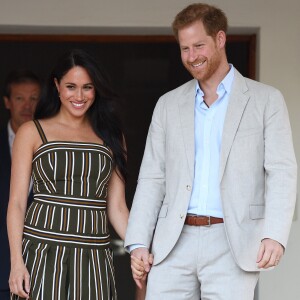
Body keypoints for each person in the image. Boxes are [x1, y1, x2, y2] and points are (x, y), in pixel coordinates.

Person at [125, 3, 297, 300]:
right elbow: (153, 177)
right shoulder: (168, 104)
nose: (192, 57)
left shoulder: (266, 100)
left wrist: (274, 234)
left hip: (233, 242)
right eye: (185, 48)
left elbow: (282, 172)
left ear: (220, 39)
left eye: (199, 45)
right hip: (173, 242)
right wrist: (139, 241)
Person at [7, 49, 131, 300]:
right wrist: (16, 262)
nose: (79, 95)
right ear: (57, 86)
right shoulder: (32, 132)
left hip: (94, 256)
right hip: (42, 253)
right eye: (71, 86)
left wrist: (139, 248)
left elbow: (117, 208)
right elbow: (17, 203)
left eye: (87, 87)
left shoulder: (112, 137)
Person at [0, 69, 41, 300]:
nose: (27, 106)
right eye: (19, 98)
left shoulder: (53, 147)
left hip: (45, 270)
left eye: (33, 98)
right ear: (7, 102)